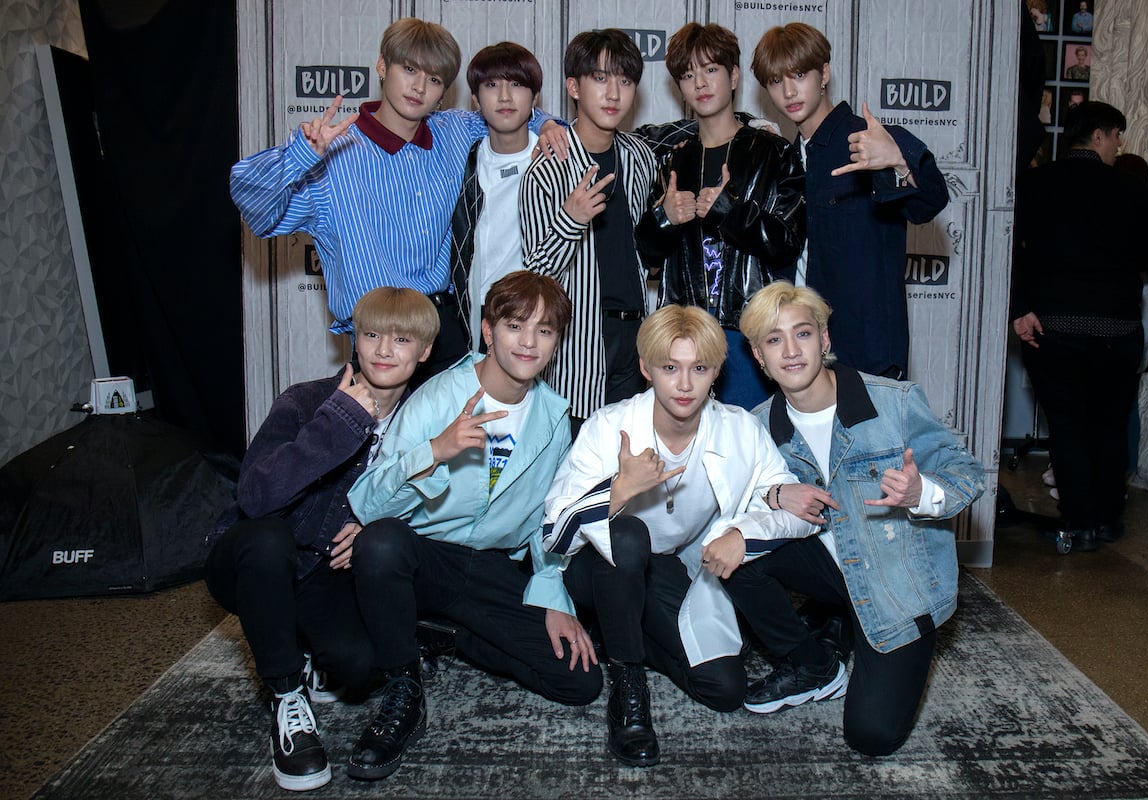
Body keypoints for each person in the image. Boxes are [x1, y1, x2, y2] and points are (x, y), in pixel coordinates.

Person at [346, 270, 601, 781]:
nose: (528, 342)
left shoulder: (555, 419)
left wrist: (552, 594)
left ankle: (444, 635)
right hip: (424, 559)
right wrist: (434, 451)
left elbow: (547, 518)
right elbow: (367, 504)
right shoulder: (438, 396)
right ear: (488, 330)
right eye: (514, 326)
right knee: (380, 543)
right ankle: (404, 689)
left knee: (579, 682)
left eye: (544, 330)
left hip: (489, 568)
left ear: (556, 342)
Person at [726, 281, 985, 756]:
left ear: (824, 339)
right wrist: (775, 492)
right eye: (774, 340)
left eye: (802, 333)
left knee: (871, 737)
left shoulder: (894, 401)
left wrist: (921, 492)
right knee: (733, 550)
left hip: (895, 582)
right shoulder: (757, 425)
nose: (791, 351)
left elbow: (965, 474)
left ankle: (839, 623)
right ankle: (813, 662)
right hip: (829, 566)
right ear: (759, 357)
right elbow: (734, 498)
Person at [542, 305, 805, 767]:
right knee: (629, 536)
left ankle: (620, 626)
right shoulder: (609, 426)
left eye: (698, 369)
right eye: (670, 368)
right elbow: (554, 533)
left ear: (716, 372)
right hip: (597, 568)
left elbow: (789, 506)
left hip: (667, 569)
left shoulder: (740, 429)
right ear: (646, 368)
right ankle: (627, 682)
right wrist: (618, 491)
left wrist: (743, 533)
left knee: (724, 689)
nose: (684, 384)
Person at [204, 287, 439, 791]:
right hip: (253, 560)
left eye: (401, 340)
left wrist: (373, 521)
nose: (383, 350)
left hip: (323, 572)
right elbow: (256, 497)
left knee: (359, 666)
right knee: (269, 541)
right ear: (355, 340)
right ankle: (287, 697)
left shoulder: (422, 420)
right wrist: (341, 422)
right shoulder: (307, 400)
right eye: (371, 335)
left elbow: (430, 504)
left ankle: (303, 646)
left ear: (423, 352)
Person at [230, 18, 557, 379]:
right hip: (379, 336)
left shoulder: (452, 132)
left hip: (446, 329)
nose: (419, 87)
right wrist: (300, 156)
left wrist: (545, 124)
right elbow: (257, 209)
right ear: (382, 66)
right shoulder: (333, 156)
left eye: (434, 79)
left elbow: (509, 112)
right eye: (409, 69)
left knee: (466, 417)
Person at [751, 23, 949, 380]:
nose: (789, 91)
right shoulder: (786, 159)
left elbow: (930, 203)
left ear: (824, 74)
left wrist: (898, 161)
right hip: (800, 354)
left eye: (799, 75)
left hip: (866, 355)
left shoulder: (869, 140)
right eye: (776, 81)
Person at [1012, 101, 1148, 549]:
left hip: (1052, 326)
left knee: (1066, 426)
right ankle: (1107, 518)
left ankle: (1078, 522)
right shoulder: (1130, 186)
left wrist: (1020, 307)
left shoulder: (1035, 183)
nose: (1119, 145)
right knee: (1109, 425)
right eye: (1117, 136)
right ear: (1099, 135)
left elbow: (1011, 249)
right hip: (1115, 328)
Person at [635, 22, 806, 411]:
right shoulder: (672, 159)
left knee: (750, 438)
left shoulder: (772, 151)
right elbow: (644, 254)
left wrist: (731, 213)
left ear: (733, 77)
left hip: (748, 328)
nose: (700, 83)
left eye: (711, 69)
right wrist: (664, 217)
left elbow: (788, 243)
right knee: (683, 442)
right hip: (684, 330)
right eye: (688, 75)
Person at [520, 29, 658, 424]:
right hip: (577, 344)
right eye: (600, 78)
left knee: (629, 452)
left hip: (635, 337)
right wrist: (571, 220)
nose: (613, 94)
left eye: (625, 81)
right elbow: (535, 276)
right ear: (573, 87)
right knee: (574, 454)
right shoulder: (547, 170)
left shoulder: (640, 156)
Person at [449, 42, 544, 351]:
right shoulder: (462, 161)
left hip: (537, 313)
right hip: (474, 314)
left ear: (535, 97)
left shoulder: (555, 160)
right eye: (492, 85)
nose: (504, 97)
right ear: (475, 99)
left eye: (516, 84)